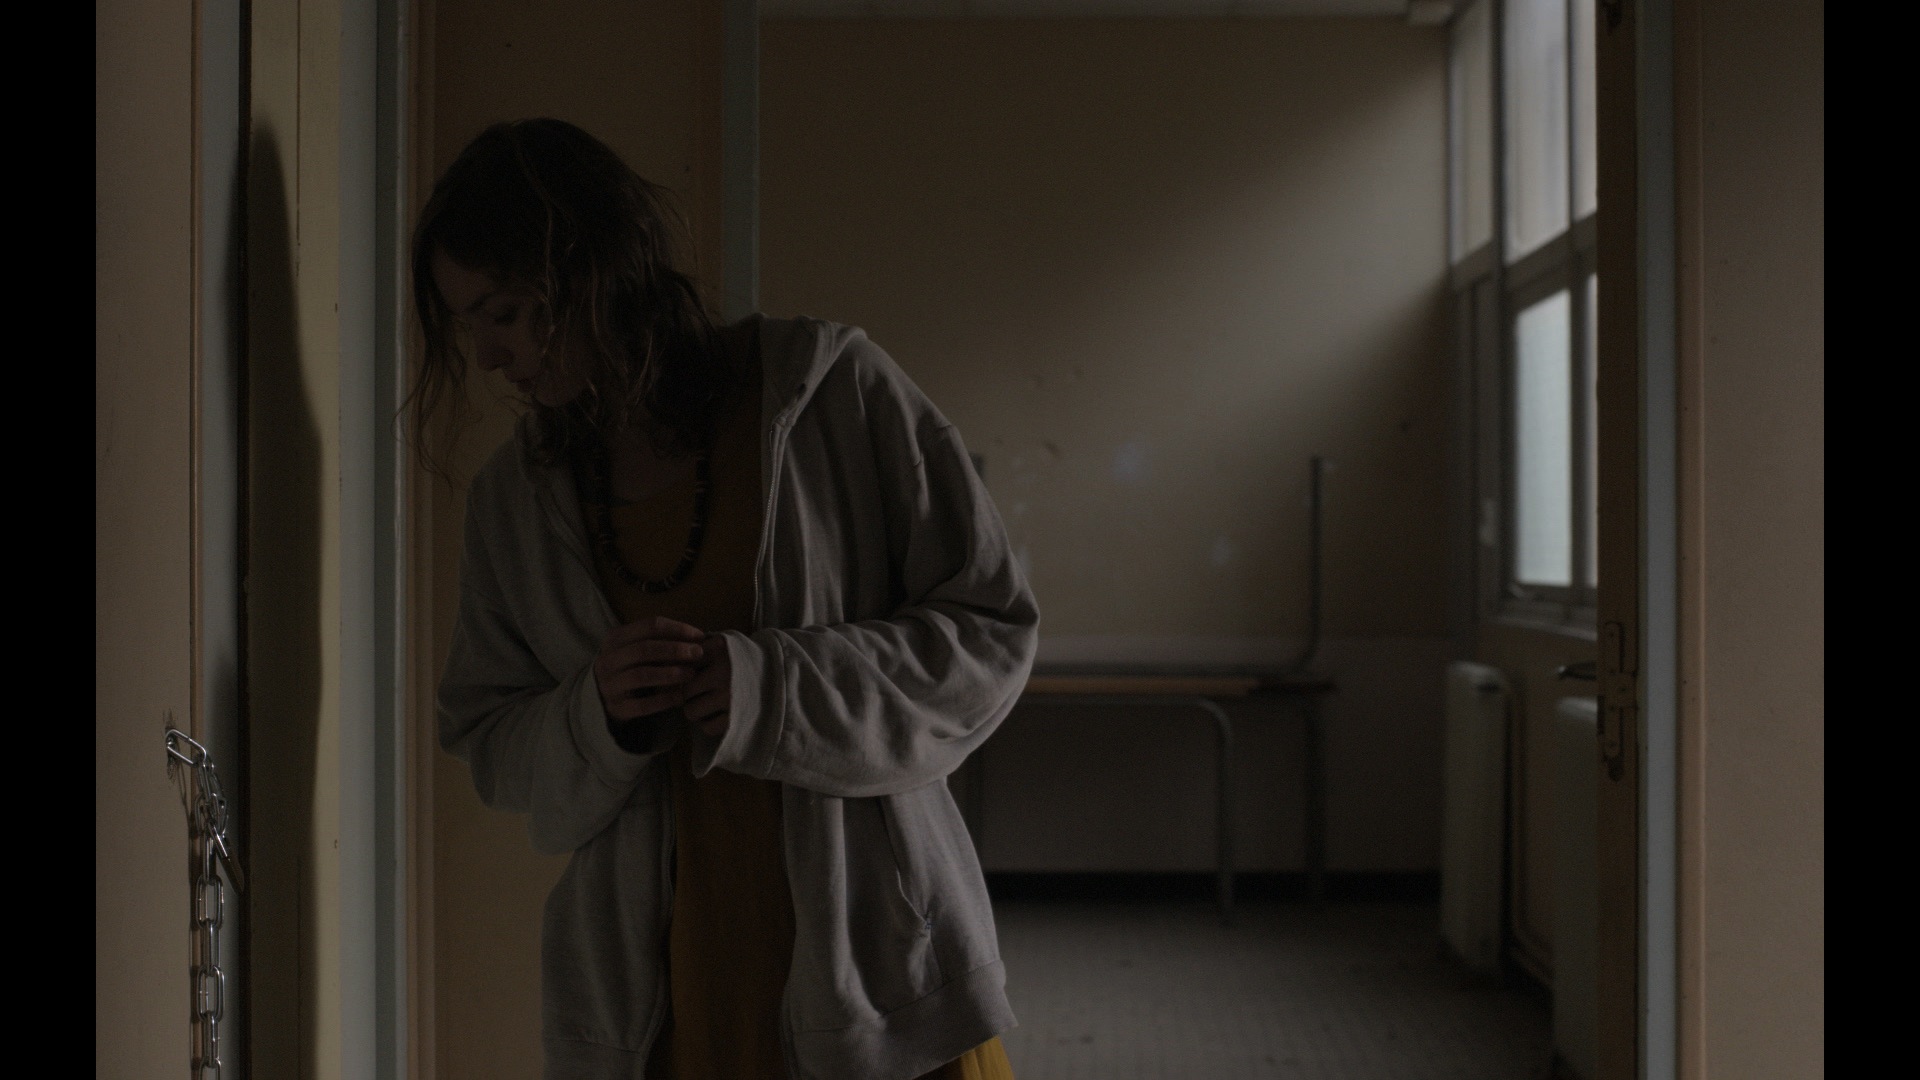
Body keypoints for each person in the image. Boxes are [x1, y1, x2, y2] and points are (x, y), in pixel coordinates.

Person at [411, 117, 1038, 1080]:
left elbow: (990, 635)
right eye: (469, 325)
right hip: (664, 1005)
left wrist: (774, 688)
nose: (490, 357)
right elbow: (490, 741)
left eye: (504, 311)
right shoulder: (516, 502)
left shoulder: (831, 394)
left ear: (588, 271)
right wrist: (599, 716)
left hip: (883, 984)